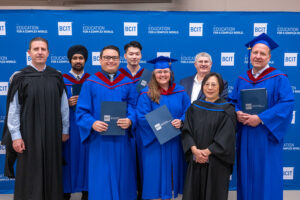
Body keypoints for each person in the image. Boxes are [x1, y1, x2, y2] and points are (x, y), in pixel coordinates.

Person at [1, 37, 69, 200]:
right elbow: (13, 110)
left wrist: (65, 129)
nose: (39, 52)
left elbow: (63, 106)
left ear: (48, 53)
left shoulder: (56, 77)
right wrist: (16, 137)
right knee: (30, 173)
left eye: (43, 49)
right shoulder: (20, 77)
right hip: (28, 135)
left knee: (52, 171)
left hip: (52, 133)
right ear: (29, 52)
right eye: (36, 49)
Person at [229, 33, 294, 200]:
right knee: (246, 174)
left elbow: (286, 103)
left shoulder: (279, 78)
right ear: (250, 54)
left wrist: (261, 118)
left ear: (269, 57)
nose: (258, 56)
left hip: (266, 135)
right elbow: (232, 101)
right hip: (246, 134)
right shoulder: (242, 78)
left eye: (262, 53)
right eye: (255, 53)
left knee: (267, 176)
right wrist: (237, 112)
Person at [76, 45, 137, 200]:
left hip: (121, 141)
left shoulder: (127, 83)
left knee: (122, 178)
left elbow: (135, 107)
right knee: (100, 180)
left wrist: (130, 120)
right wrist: (92, 123)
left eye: (114, 58)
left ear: (119, 60)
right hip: (100, 141)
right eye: (107, 58)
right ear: (100, 59)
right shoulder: (91, 83)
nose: (111, 61)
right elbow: (82, 112)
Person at [136, 56, 190, 200]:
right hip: (155, 143)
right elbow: (141, 117)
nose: (162, 75)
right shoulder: (146, 93)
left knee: (172, 180)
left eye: (165, 71)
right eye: (159, 72)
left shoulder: (180, 91)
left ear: (171, 73)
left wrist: (181, 121)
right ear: (154, 74)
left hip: (174, 142)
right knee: (155, 182)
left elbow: (188, 111)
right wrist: (161, 129)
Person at [181, 72, 236, 200]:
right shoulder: (194, 107)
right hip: (196, 160)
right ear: (202, 86)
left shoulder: (227, 109)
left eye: (213, 84)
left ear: (220, 87)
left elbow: (226, 136)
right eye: (206, 84)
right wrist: (195, 151)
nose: (210, 88)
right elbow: (186, 131)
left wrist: (207, 152)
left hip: (217, 162)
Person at [62, 45, 90, 200]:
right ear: (70, 60)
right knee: (67, 160)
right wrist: (67, 102)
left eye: (81, 58)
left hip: (86, 127)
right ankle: (65, 193)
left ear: (85, 60)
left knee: (87, 160)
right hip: (69, 127)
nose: (78, 61)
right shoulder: (61, 80)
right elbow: (53, 103)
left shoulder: (93, 80)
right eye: (75, 58)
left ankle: (87, 192)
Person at [119, 40, 144, 200]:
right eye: (131, 54)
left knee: (143, 166)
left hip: (144, 126)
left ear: (141, 56)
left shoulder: (149, 75)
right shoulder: (119, 75)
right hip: (123, 125)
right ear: (125, 56)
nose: (134, 57)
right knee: (125, 165)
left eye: (137, 54)